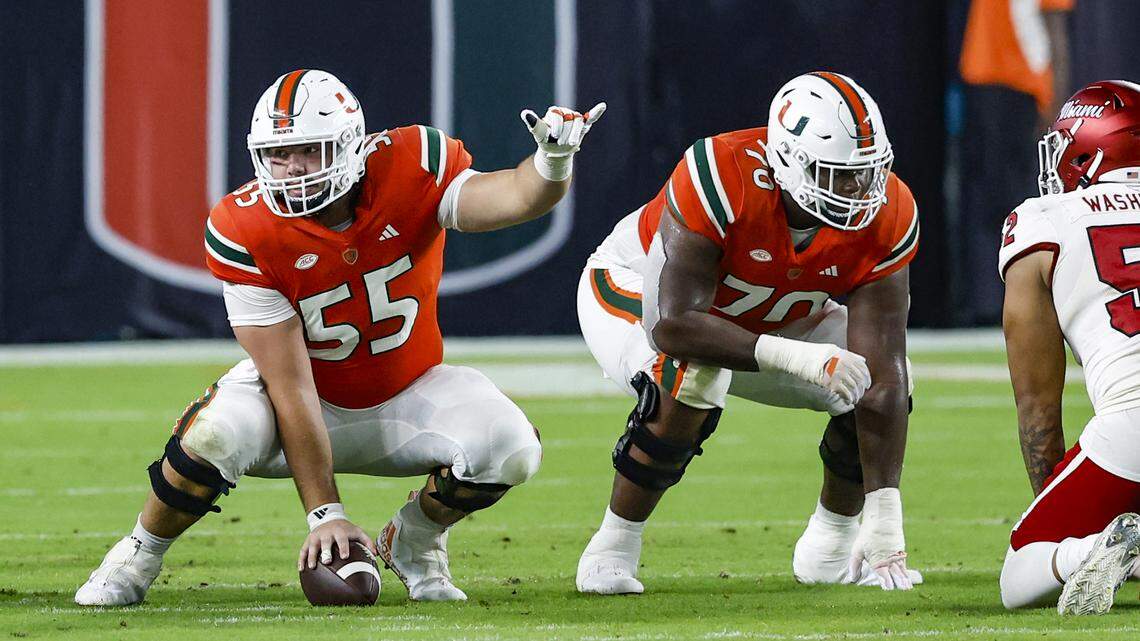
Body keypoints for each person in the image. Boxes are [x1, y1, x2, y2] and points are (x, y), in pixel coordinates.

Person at [75, 69, 604, 605]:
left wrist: (551, 163)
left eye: (309, 150)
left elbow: (512, 198)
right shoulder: (244, 228)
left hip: (408, 388)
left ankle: (415, 540)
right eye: (278, 154)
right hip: (302, 402)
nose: (291, 169)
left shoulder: (411, 162)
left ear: (350, 144)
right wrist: (326, 513)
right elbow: (290, 386)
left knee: (509, 447)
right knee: (214, 435)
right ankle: (137, 556)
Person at [574, 72, 921, 594]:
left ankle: (832, 542)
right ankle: (613, 544)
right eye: (838, 174)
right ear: (787, 160)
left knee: (878, 378)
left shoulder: (889, 210)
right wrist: (802, 360)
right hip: (637, 291)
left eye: (867, 172)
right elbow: (670, 324)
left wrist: (886, 518)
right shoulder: (720, 172)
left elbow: (884, 371)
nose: (859, 190)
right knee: (693, 375)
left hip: (774, 314)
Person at [998, 79, 1140, 615]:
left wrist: (1055, 511)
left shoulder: (1041, 222)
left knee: (1020, 573)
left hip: (1132, 426)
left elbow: (1037, 405)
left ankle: (1091, 552)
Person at [957, 0, 1073, 324]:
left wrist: (1054, 98)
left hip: (1015, 83)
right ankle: (991, 301)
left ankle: (1013, 299)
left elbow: (1051, 25)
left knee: (1014, 200)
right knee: (998, 197)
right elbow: (1055, 30)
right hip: (996, 80)